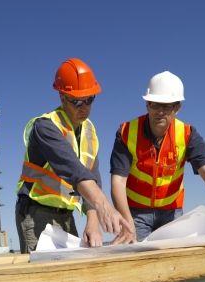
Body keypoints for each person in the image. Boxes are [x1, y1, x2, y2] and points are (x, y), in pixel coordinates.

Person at [110, 71, 205, 243]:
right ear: (147, 104)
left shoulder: (188, 135)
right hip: (135, 212)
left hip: (172, 212)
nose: (160, 112)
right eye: (155, 105)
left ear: (177, 108)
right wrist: (127, 223)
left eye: (167, 106)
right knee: (134, 257)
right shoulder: (126, 132)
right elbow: (118, 182)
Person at [15, 58, 131, 253]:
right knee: (44, 277)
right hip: (35, 212)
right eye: (77, 101)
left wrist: (92, 221)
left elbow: (92, 176)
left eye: (89, 99)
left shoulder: (89, 132)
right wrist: (105, 207)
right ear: (62, 97)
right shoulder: (45, 127)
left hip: (66, 214)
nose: (84, 107)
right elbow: (74, 170)